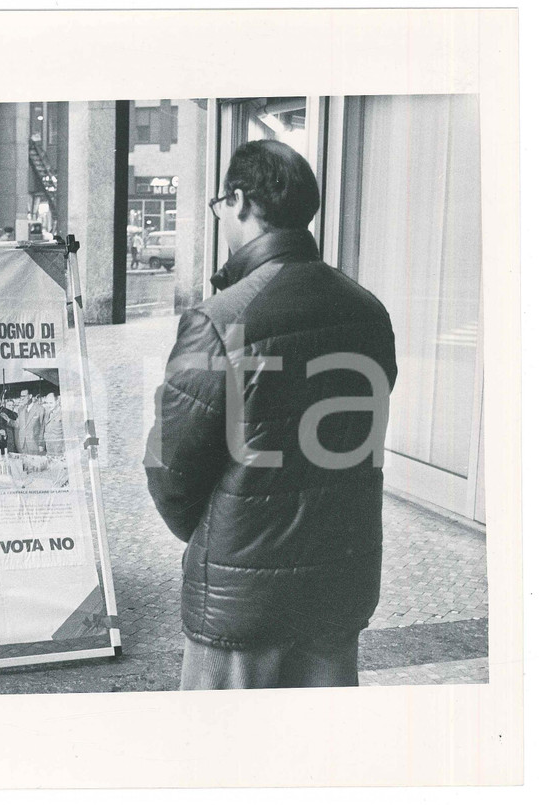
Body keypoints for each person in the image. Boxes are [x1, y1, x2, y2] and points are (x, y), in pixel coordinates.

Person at [144, 139, 397, 690]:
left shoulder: (219, 319)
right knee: (319, 761)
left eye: (220, 205)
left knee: (226, 762)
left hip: (243, 602)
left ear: (238, 201)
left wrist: (219, 529)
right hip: (337, 586)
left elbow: (170, 466)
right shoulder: (368, 310)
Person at [17, 388, 47, 455]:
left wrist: (41, 444)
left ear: (30, 396)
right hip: (23, 446)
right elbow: (18, 424)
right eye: (21, 396)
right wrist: (8, 420)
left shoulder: (40, 409)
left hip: (35, 445)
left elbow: (43, 428)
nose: (22, 398)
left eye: (24, 396)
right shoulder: (20, 410)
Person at [41, 392, 63, 456]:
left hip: (60, 451)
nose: (48, 405)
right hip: (49, 449)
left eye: (51, 403)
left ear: (57, 401)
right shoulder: (47, 413)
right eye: (47, 403)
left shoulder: (62, 413)